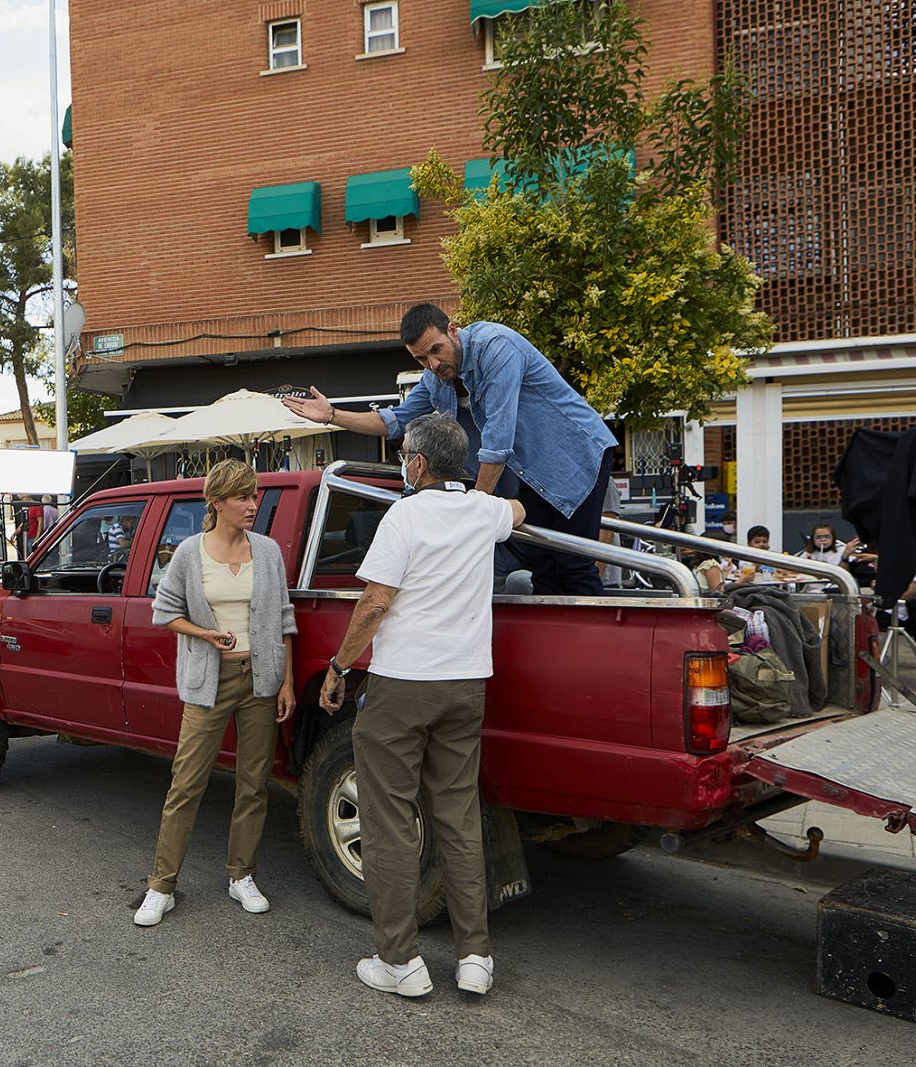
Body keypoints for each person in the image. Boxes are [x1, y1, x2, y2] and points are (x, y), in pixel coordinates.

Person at [318, 413, 525, 998]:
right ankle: (475, 956)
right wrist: (498, 504)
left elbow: (375, 602)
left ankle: (400, 961)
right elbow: (517, 512)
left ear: (418, 463)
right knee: (458, 816)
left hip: (404, 684)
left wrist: (338, 667)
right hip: (467, 683)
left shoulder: (403, 516)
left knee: (389, 821)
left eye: (403, 454)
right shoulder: (483, 512)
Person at [282, 304, 615, 595]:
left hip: (576, 454)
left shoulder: (496, 347)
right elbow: (395, 421)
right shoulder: (435, 379)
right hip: (531, 472)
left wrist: (474, 510)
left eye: (436, 350)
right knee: (542, 566)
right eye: (421, 358)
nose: (433, 363)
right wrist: (332, 415)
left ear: (453, 330)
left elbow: (498, 442)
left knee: (574, 564)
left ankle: (596, 647)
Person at [135, 459, 297, 927]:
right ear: (217, 502)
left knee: (254, 783)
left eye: (253, 495)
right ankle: (161, 885)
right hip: (210, 680)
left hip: (261, 679)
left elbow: (283, 618)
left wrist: (286, 681)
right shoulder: (190, 553)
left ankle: (241, 875)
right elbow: (164, 612)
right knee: (186, 783)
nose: (253, 504)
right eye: (243, 497)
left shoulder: (267, 551)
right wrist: (204, 634)